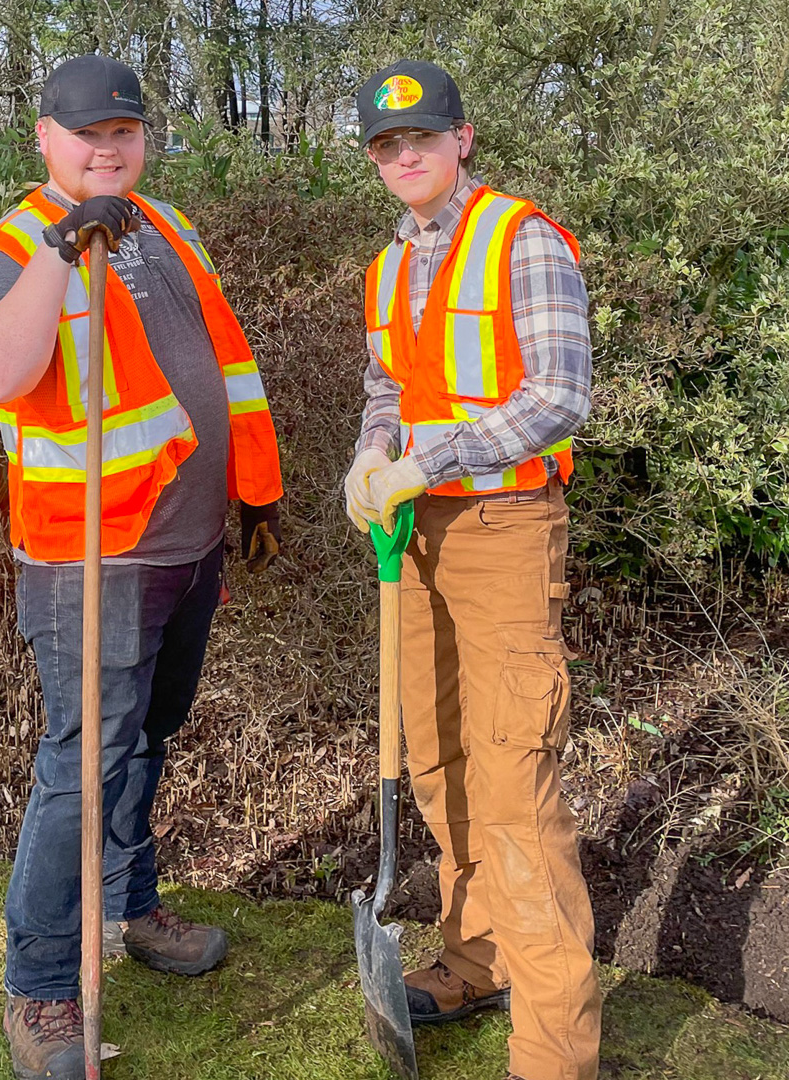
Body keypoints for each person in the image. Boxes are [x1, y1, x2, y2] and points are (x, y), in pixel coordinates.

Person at [0, 53, 283, 1080]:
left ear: (144, 139)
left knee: (148, 739)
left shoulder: (166, 224)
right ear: (44, 140)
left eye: (125, 132)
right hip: (91, 556)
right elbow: (0, 375)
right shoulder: (9, 250)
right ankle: (43, 986)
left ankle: (130, 903)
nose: (108, 146)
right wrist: (63, 246)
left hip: (188, 542)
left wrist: (254, 490)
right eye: (87, 132)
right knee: (82, 762)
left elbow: (219, 363)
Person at [344, 60, 601, 1080]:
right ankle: (474, 958)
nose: (404, 155)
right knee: (440, 756)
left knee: (512, 780)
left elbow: (558, 397)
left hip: (501, 529)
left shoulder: (519, 240)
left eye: (421, 137)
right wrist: (373, 457)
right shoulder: (388, 264)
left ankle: (555, 1053)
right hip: (417, 540)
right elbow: (385, 387)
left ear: (463, 139)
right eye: (385, 145)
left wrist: (428, 460)